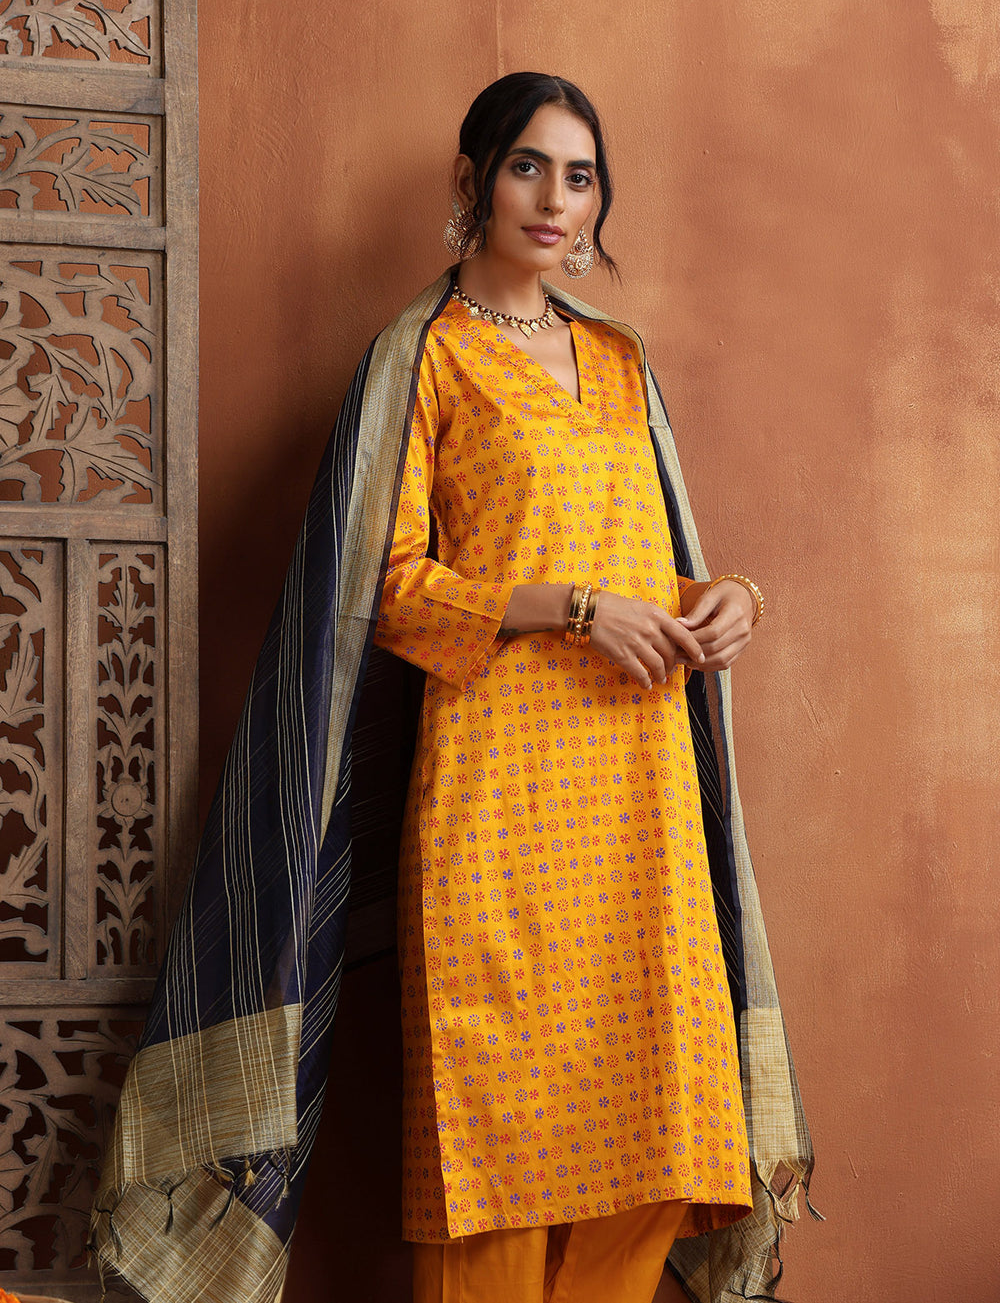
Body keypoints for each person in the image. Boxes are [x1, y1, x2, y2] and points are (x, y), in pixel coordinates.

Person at [91, 74, 813, 1303]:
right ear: (471, 179)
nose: (555, 198)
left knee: (668, 1148)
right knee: (500, 1153)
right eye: (528, 166)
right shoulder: (422, 359)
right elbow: (383, 590)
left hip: (639, 804)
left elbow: (652, 560)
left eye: (580, 175)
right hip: (499, 797)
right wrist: (567, 609)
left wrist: (729, 595)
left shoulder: (619, 359)